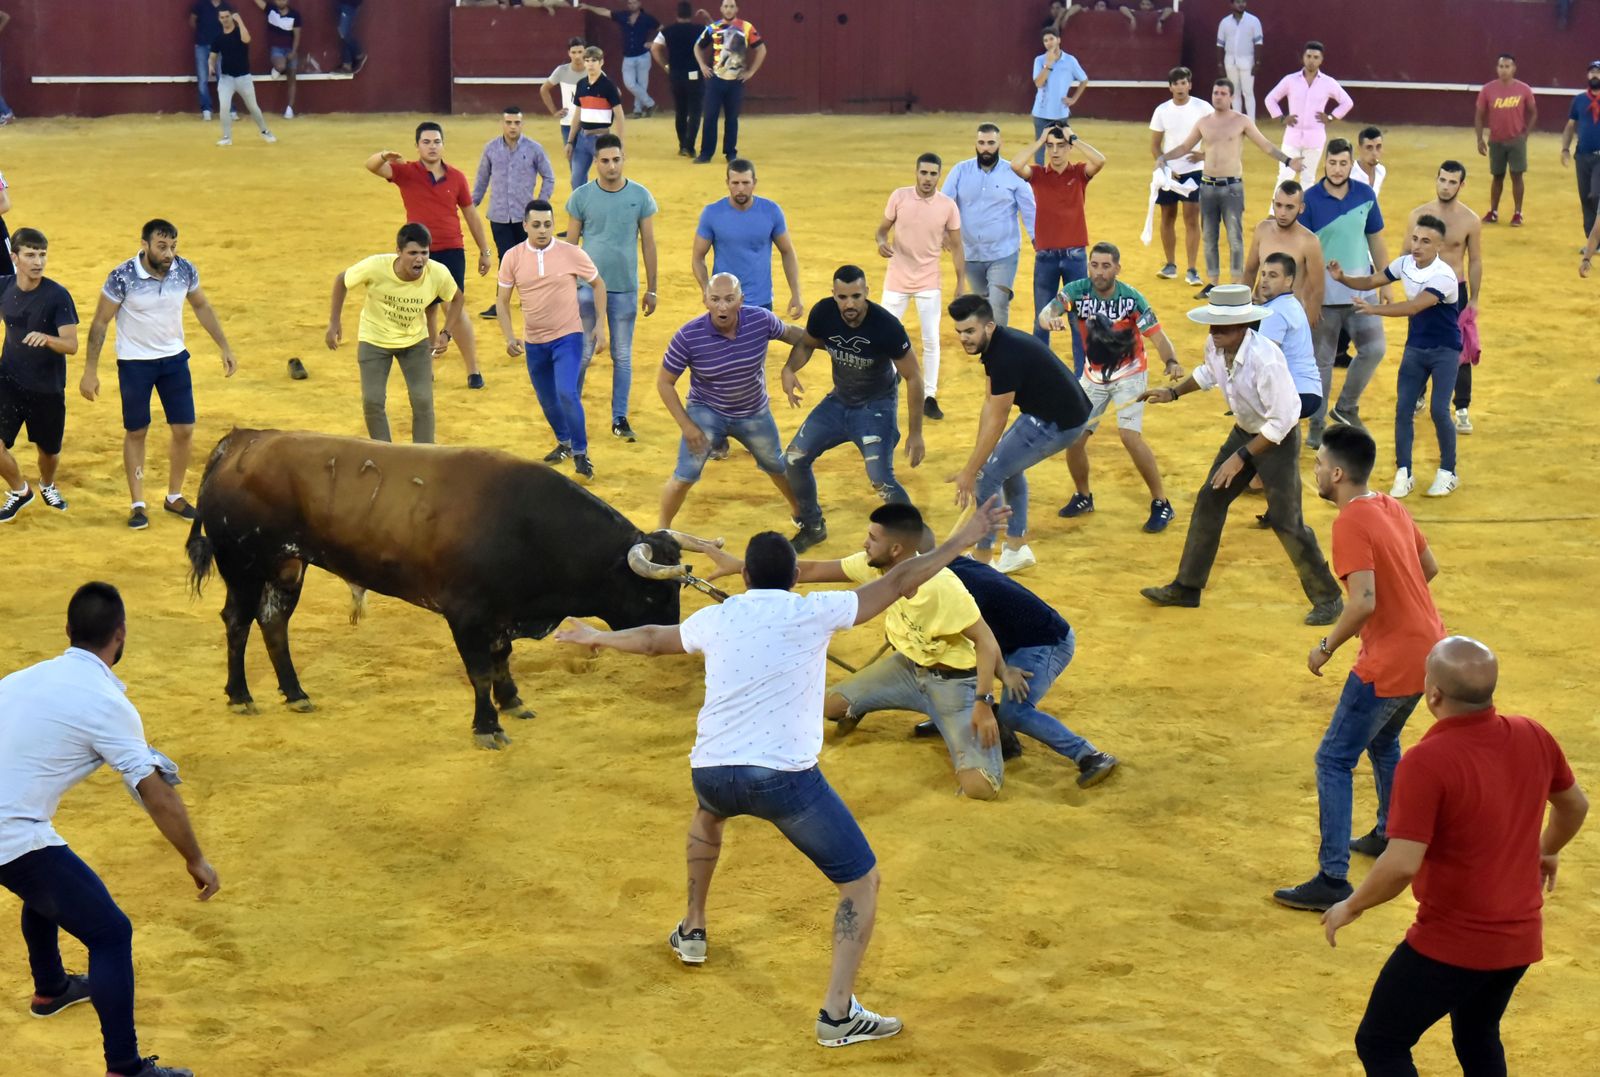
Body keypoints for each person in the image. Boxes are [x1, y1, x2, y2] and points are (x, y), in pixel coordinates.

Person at [553, 499, 1011, 1046]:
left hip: (712, 773)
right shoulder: (814, 610)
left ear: (744, 576)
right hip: (783, 782)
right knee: (862, 884)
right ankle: (837, 1016)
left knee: (708, 817)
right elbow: (903, 578)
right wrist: (964, 538)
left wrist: (596, 636)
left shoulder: (716, 618)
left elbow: (652, 640)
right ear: (795, 576)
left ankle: (693, 929)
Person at [1322, 636, 1589, 1075]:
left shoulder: (1427, 761)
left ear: (1433, 694)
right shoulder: (1532, 733)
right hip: (1518, 940)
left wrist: (1351, 905)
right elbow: (1574, 805)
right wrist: (1546, 849)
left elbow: (1402, 864)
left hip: (1453, 942)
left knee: (1382, 1041)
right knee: (1477, 1033)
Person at [0, 581, 221, 1077]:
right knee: (110, 932)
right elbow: (156, 794)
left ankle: (51, 989)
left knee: (45, 873)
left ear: (67, 631)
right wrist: (195, 858)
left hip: (12, 829)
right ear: (119, 635)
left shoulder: (23, 677)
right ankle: (125, 1066)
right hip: (9, 832)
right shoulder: (107, 703)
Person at [1271, 424, 1444, 912]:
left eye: (1321, 464)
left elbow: (1363, 600)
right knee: (1384, 741)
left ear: (1339, 473)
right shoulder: (1390, 504)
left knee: (1333, 759)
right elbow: (1427, 568)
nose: (1318, 471)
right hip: (1430, 651)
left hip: (1389, 661)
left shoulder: (1348, 522)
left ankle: (1332, 876)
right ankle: (1391, 829)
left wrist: (1326, 645)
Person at [1137, 285, 1342, 624]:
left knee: (1285, 519)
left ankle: (1329, 597)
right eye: (1213, 324)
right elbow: (1207, 374)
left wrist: (1242, 457)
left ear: (1244, 326)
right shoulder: (1216, 346)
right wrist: (1173, 392)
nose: (1215, 332)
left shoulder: (1266, 359)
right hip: (1246, 430)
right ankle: (1187, 587)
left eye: (1224, 326)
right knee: (1209, 498)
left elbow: (1283, 420)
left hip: (1277, 437)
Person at [808, 502, 1007, 800]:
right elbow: (811, 569)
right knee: (829, 707)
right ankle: (892, 707)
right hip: (908, 668)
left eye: (873, 539)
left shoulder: (942, 587)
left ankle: (978, 721)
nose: (865, 543)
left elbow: (987, 642)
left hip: (956, 685)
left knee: (980, 788)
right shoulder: (873, 564)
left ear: (896, 549)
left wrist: (984, 702)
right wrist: (741, 565)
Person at [81, 220, 240, 531]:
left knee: (184, 429)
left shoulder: (185, 270)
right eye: (162, 247)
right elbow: (100, 322)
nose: (169, 253)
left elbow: (202, 306)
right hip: (135, 363)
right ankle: (137, 503)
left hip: (174, 360)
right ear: (144, 245)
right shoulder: (121, 276)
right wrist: (90, 370)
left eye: (173, 246)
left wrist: (224, 346)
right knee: (137, 431)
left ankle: (175, 495)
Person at [1038, 242, 1183, 532]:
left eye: (1106, 266)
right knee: (1074, 438)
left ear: (1117, 268)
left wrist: (1172, 361)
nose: (1099, 272)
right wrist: (1049, 321)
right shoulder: (1076, 291)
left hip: (1131, 374)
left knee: (1129, 437)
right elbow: (1045, 314)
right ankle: (1083, 496)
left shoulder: (1132, 298)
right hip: (1093, 377)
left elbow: (1157, 336)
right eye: (1095, 265)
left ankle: (1162, 502)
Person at [781, 265, 924, 552]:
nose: (849, 304)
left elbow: (913, 377)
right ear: (833, 295)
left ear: (867, 294)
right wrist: (788, 368)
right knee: (793, 460)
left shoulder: (887, 327)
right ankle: (813, 525)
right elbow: (807, 344)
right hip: (838, 402)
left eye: (856, 296)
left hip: (876, 408)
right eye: (843, 297)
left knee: (881, 478)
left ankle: (914, 539)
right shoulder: (823, 313)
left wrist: (916, 433)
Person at [948, 293, 1092, 574]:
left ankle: (983, 558)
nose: (964, 338)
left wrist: (972, 470)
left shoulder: (1004, 357)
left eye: (969, 331)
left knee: (988, 476)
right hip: (1049, 413)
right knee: (1003, 468)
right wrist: (977, 457)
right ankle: (1016, 547)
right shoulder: (996, 345)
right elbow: (990, 403)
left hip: (1058, 422)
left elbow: (999, 419)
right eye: (960, 332)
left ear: (988, 327)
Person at [656, 272, 804, 529]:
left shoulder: (760, 319)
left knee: (777, 466)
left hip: (753, 410)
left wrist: (835, 341)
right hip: (707, 411)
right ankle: (662, 529)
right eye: (715, 299)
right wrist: (687, 426)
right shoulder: (688, 336)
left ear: (741, 300)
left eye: (729, 299)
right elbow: (664, 383)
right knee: (685, 475)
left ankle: (801, 512)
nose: (722, 306)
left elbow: (796, 335)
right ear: (705, 300)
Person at [1330, 215, 1464, 499]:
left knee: (1439, 411)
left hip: (1445, 351)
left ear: (1438, 245)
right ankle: (1404, 472)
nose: (1417, 245)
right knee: (1403, 410)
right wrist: (1343, 278)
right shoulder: (1405, 264)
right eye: (1415, 239)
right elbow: (1371, 280)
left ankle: (1449, 472)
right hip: (1415, 348)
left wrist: (1374, 309)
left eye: (1425, 241)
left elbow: (1415, 307)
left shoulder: (1444, 276)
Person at [366, 121, 492, 388]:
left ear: (443, 144)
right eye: (426, 142)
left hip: (451, 248)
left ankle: (473, 370)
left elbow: (470, 214)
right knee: (421, 308)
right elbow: (371, 166)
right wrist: (384, 155)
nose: (432, 147)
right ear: (417, 146)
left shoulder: (456, 177)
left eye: (436, 141)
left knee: (453, 307)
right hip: (419, 251)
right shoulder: (406, 172)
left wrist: (484, 250)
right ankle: (427, 366)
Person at [1158, 79, 1302, 300]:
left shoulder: (1241, 121)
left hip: (1231, 186)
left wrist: (1287, 160)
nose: (1218, 97)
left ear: (1232, 97)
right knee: (1209, 236)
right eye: (1216, 93)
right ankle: (1212, 282)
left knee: (1235, 236)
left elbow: (1264, 145)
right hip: (1207, 185)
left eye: (1223, 93)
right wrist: (1164, 157)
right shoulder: (1204, 122)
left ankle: (1236, 282)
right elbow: (1186, 147)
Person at [497, 200, 606, 482]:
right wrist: (509, 336)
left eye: (547, 224)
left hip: (567, 337)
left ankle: (581, 453)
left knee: (567, 393)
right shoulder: (512, 257)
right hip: (534, 342)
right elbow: (502, 301)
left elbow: (598, 284)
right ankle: (565, 442)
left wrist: (600, 326)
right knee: (547, 399)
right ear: (525, 226)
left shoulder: (571, 253)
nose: (543, 230)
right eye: (536, 225)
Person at [328, 223, 461, 445]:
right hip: (374, 339)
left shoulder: (437, 273)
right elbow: (342, 280)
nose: (419, 259)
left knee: (423, 401)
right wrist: (334, 322)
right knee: (372, 401)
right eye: (412, 253)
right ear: (398, 252)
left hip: (415, 341)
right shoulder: (376, 266)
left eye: (424, 253)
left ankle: (424, 454)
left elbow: (457, 299)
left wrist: (446, 333)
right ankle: (384, 453)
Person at [566, 132, 657, 442]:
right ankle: (571, 412)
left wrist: (652, 287)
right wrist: (567, 285)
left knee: (622, 355)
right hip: (587, 287)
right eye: (605, 161)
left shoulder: (641, 196)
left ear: (623, 159)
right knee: (582, 354)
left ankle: (619, 417)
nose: (611, 166)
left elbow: (649, 244)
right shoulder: (581, 197)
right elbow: (570, 246)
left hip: (625, 287)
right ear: (595, 163)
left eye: (616, 160)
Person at [1300, 139, 1388, 445]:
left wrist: (1383, 281)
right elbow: (1302, 253)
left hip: (1360, 292)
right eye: (1333, 162)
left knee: (1375, 348)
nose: (1338, 169)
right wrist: (1307, 297)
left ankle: (1346, 406)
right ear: (1325, 163)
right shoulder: (1309, 199)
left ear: (1352, 165)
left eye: (1343, 163)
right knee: (1321, 364)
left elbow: (1375, 239)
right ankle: (1316, 424)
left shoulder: (1365, 195)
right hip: (1323, 297)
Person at [876, 153, 965, 421]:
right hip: (897, 278)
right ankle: (886, 384)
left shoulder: (948, 206)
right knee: (883, 336)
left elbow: (958, 245)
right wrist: (881, 241)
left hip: (928, 280)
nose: (927, 179)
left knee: (931, 339)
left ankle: (930, 395)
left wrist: (961, 282)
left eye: (933, 174)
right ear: (916, 173)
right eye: (923, 173)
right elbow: (881, 229)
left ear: (939, 176)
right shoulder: (899, 197)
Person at [0, 229, 78, 522]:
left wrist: (47, 339)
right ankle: (21, 492)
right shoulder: (4, 287)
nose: (38, 261)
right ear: (14, 258)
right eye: (30, 255)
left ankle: (47, 484)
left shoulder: (58, 296)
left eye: (42, 254)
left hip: (47, 388)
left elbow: (71, 345)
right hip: (7, 380)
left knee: (49, 452)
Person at [1009, 123, 1105, 361]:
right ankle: (1041, 374)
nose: (1055, 151)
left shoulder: (1079, 173)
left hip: (1075, 257)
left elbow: (1100, 160)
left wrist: (1076, 138)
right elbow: (1015, 165)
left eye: (1061, 146)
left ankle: (1083, 378)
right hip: (1046, 258)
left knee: (1079, 319)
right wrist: (1040, 141)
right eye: (1050, 146)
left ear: (1069, 148)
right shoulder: (1039, 175)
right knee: (1042, 318)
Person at [1406, 162, 1483, 435]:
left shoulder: (1470, 220)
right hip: (1423, 289)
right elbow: (1406, 256)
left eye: (1452, 182)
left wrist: (1474, 298)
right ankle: (1417, 395)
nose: (1446, 186)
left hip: (1455, 291)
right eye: (1443, 180)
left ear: (1461, 185)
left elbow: (1474, 260)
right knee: (1418, 343)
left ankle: (1461, 406)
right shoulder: (1418, 215)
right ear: (1436, 179)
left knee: (1460, 348)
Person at [943, 124, 1037, 330]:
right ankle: (987, 345)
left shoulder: (1013, 173)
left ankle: (999, 348)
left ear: (1000, 144)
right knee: (983, 304)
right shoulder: (960, 170)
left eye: (991, 143)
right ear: (976, 144)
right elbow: (944, 203)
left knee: (998, 303)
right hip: (970, 253)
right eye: (982, 143)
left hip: (1003, 252)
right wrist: (942, 230)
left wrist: (1036, 238)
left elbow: (1029, 209)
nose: (986, 148)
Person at [472, 106, 555, 321]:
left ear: (522, 124)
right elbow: (482, 179)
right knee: (506, 258)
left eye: (516, 123)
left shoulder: (534, 149)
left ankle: (537, 300)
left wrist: (539, 205)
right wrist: (471, 204)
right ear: (503, 124)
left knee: (532, 257)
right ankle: (502, 304)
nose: (512, 127)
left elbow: (549, 177)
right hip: (499, 215)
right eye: (508, 122)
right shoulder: (491, 149)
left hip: (525, 218)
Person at [691, 158, 802, 318]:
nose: (740, 189)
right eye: (735, 183)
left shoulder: (771, 211)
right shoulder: (712, 214)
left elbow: (787, 252)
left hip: (761, 302)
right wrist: (707, 290)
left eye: (745, 182)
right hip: (724, 303)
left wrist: (796, 293)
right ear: (727, 183)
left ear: (754, 182)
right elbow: (697, 257)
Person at [1149, 66, 1213, 286]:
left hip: (1194, 169)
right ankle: (1170, 264)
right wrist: (1165, 168)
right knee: (1167, 217)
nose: (1180, 87)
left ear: (1190, 85)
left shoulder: (1203, 107)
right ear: (1170, 87)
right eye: (1175, 83)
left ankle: (1192, 268)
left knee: (1191, 218)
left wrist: (1204, 154)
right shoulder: (1162, 111)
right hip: (1170, 171)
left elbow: (1217, 135)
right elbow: (1155, 146)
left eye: (1183, 82)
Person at [1264, 41, 1353, 191]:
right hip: (1292, 136)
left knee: (1308, 178)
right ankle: (1274, 213)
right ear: (1303, 58)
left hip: (1315, 137)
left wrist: (1331, 117)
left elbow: (1347, 102)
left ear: (1321, 60)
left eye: (1316, 57)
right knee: (1285, 175)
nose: (1312, 60)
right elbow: (1270, 99)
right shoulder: (1290, 80)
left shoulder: (1328, 82)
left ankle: (1304, 214)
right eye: (1309, 56)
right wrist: (1281, 117)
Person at [694, 0, 765, 164]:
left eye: (731, 6)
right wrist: (703, 66)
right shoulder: (713, 27)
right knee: (710, 116)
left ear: (737, 8)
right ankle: (706, 153)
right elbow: (697, 47)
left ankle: (730, 153)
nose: (728, 9)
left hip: (736, 81)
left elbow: (761, 49)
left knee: (732, 118)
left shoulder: (747, 27)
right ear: (721, 9)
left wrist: (751, 71)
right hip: (715, 80)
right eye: (726, 6)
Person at [1477, 54, 1536, 226]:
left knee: (1517, 176)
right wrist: (1480, 139)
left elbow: (1533, 112)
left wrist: (1525, 135)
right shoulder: (1488, 90)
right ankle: (1493, 211)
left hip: (1516, 139)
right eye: (1501, 66)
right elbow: (1479, 116)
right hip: (1496, 140)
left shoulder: (1524, 89)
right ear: (1497, 68)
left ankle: (1518, 213)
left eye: (1507, 66)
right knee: (1497, 176)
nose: (1504, 70)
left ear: (1514, 68)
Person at [578, 0, 659, 117]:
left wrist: (653, 42)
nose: (632, 5)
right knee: (630, 84)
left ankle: (638, 111)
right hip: (629, 57)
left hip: (643, 56)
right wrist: (588, 7)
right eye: (630, 3)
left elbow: (662, 29)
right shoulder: (623, 16)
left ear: (639, 3)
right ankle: (651, 104)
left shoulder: (647, 18)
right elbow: (605, 12)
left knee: (641, 85)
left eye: (634, 3)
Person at [211, 6, 276, 147]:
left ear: (231, 17)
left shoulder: (240, 32)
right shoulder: (218, 38)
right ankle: (227, 137)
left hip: (244, 78)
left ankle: (265, 131)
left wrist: (240, 21)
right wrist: (211, 65)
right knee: (224, 107)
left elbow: (247, 39)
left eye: (227, 17)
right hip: (226, 79)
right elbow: (213, 55)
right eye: (222, 17)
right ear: (219, 19)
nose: (225, 20)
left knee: (253, 107)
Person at [566, 46, 625, 190]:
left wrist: (620, 145)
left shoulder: (608, 85)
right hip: (582, 138)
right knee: (576, 180)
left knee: (609, 178)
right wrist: (570, 141)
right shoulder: (581, 84)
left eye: (594, 60)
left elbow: (619, 115)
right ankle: (582, 210)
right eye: (587, 60)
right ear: (584, 63)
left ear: (601, 62)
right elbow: (577, 115)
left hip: (602, 139)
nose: (590, 64)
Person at [652, 3, 707, 156]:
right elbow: (715, 33)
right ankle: (689, 146)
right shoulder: (699, 29)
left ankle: (683, 145)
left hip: (676, 74)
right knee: (695, 112)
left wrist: (665, 66)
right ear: (691, 14)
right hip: (695, 74)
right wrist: (708, 18)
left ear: (677, 14)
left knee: (681, 110)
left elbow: (655, 48)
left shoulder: (667, 31)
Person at [1030, 27, 1088, 162]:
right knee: (1040, 148)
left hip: (1060, 113)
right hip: (1041, 112)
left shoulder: (1070, 60)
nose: (1049, 43)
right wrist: (1048, 65)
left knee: (1061, 147)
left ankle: (1058, 175)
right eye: (1045, 40)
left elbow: (1084, 80)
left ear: (1059, 40)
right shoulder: (1039, 60)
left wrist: (1073, 99)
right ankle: (1040, 179)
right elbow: (1039, 83)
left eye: (1051, 39)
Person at [1560, 60, 1600, 241]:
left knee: (1595, 194)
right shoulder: (1579, 100)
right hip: (1583, 155)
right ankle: (1592, 242)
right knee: (1586, 198)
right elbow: (1570, 126)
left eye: (1598, 72)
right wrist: (1565, 149)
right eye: (1592, 72)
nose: (1594, 75)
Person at [253, 0, 302, 119]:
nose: (281, 1)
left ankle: (289, 109)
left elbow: (297, 35)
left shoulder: (295, 15)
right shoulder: (271, 9)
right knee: (281, 65)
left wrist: (294, 52)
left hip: (289, 49)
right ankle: (278, 69)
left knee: (292, 77)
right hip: (276, 49)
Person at [1215, 0, 1263, 120]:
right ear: (1231, 4)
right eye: (1238, 2)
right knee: (1234, 93)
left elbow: (1258, 43)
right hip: (1230, 61)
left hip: (1247, 61)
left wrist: (1257, 62)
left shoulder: (1253, 21)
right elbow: (1220, 45)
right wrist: (1220, 64)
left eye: (1243, 2)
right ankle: (1237, 121)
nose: (1241, 4)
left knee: (1248, 93)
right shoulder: (1224, 22)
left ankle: (1251, 123)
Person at [540, 38, 588, 148]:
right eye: (574, 52)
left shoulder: (593, 70)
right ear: (569, 53)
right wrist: (554, 111)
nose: (577, 56)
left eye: (580, 52)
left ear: (585, 52)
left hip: (589, 124)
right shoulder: (562, 71)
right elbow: (544, 89)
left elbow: (613, 92)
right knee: (573, 160)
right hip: (568, 122)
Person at [189, 0, 223, 120]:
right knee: (202, 78)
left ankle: (228, 109)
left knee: (223, 79)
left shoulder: (225, 6)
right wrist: (202, 34)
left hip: (219, 46)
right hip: (202, 45)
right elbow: (192, 20)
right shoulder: (200, 5)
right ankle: (206, 109)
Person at [335, 0, 365, 74]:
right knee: (344, 32)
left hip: (349, 4)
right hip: (343, 4)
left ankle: (359, 54)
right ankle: (347, 65)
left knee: (343, 32)